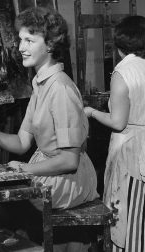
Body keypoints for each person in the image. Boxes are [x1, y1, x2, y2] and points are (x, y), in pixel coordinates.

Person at [0, 6, 99, 250]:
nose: (21, 47)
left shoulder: (60, 89)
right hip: (48, 172)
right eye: (21, 40)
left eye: (29, 40)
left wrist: (25, 169)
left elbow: (69, 161)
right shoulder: (40, 84)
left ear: (50, 44)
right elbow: (22, 142)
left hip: (67, 179)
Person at [84, 15, 145, 251]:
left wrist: (91, 112)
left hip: (132, 152)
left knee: (127, 220)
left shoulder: (123, 72)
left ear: (118, 47)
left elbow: (118, 122)